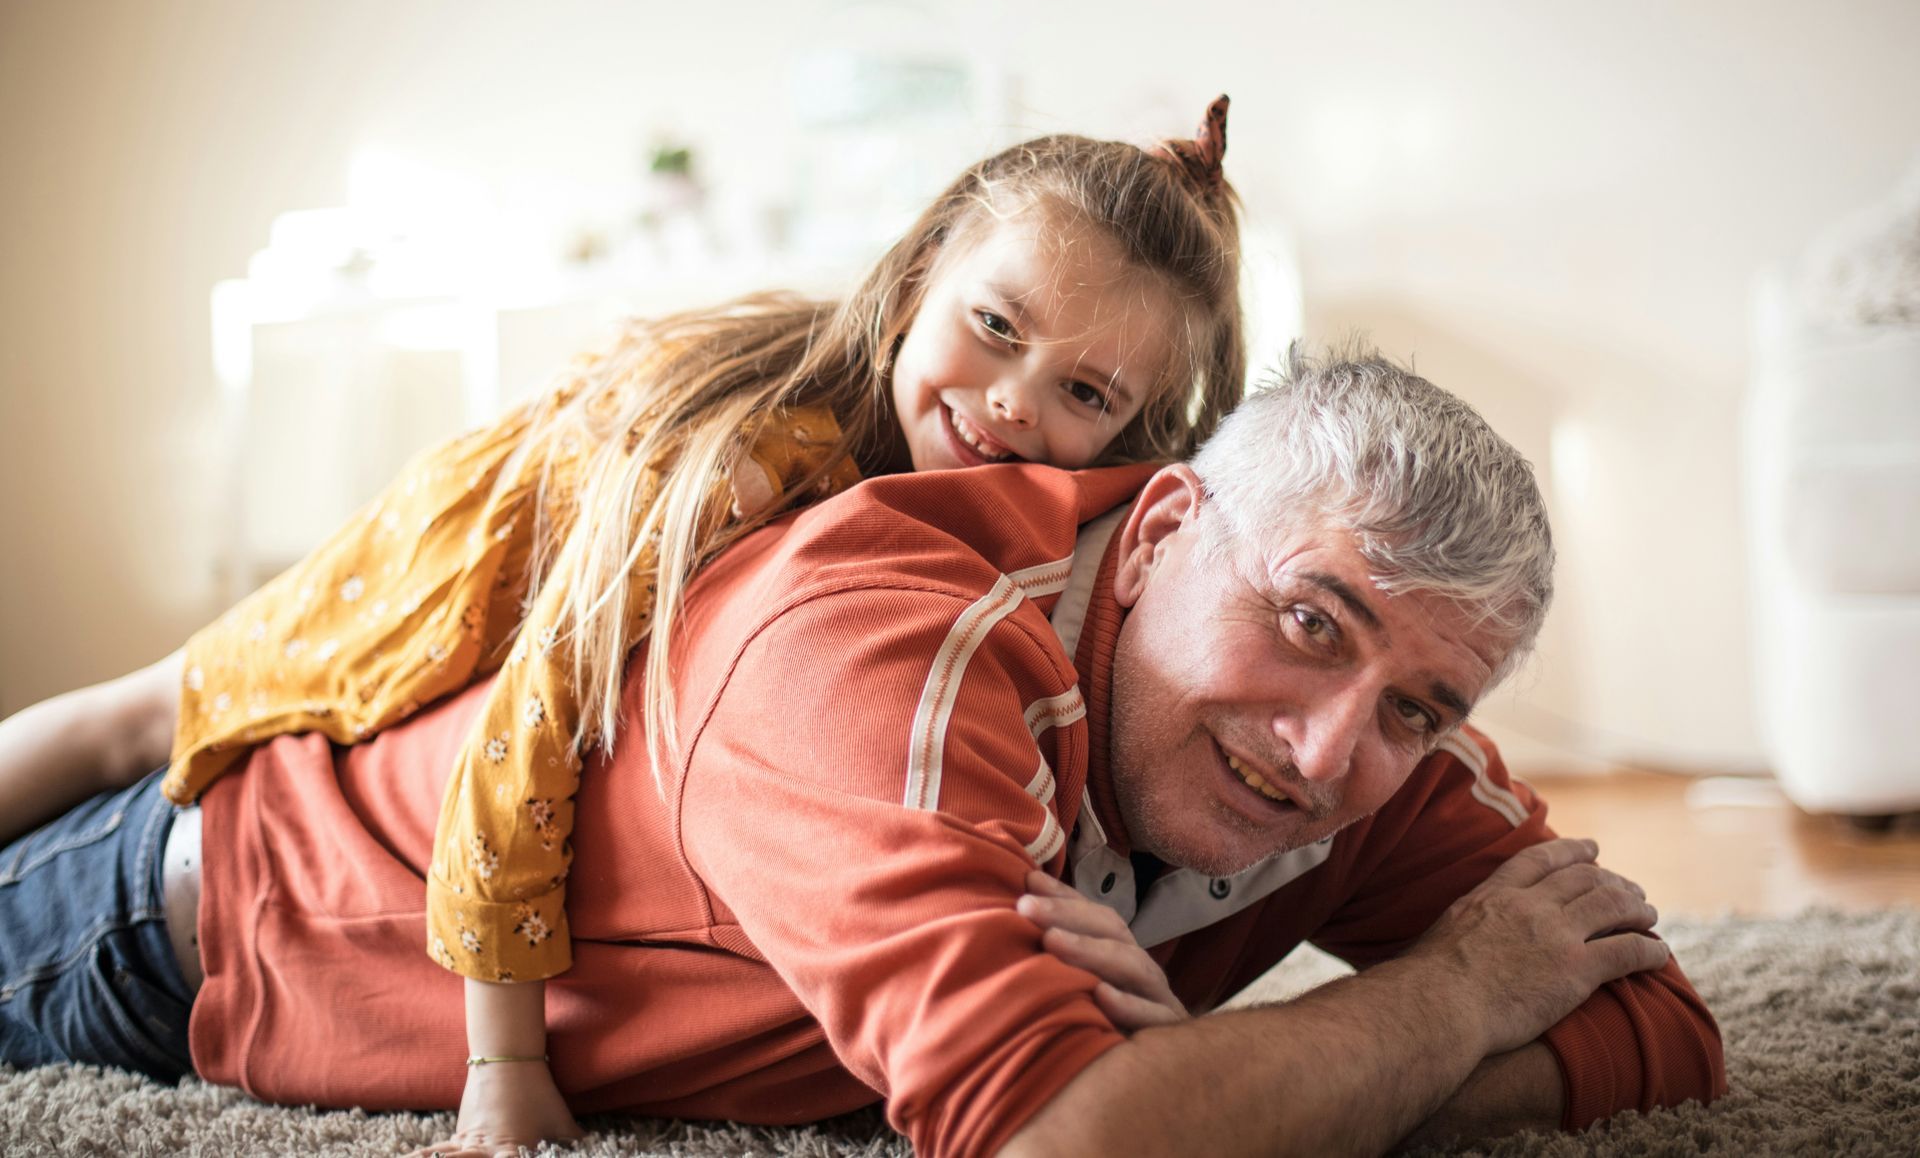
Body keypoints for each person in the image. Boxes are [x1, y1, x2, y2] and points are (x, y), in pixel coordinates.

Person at [0, 343, 1725, 1155]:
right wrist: (1446, 1002)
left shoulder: (1362, 737)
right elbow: (1070, 1143)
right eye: (1310, 622)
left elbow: (1657, 1021)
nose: (1329, 746)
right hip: (182, 918)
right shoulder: (876, 644)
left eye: (1421, 705)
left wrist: (1272, 1086)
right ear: (1156, 534)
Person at [0, 99, 1248, 1153]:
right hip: (440, 578)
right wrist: (504, 1061)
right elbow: (529, 727)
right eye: (996, 328)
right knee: (146, 716)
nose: (1013, 404)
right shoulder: (759, 469)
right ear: (921, 275)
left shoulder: (1024, 506)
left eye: (1083, 390)